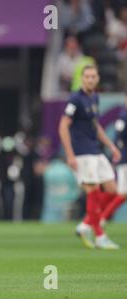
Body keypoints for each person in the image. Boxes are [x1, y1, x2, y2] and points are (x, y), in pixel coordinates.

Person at [58, 65, 121, 249]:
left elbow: (96, 126)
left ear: (98, 78)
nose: (90, 80)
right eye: (87, 77)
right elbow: (63, 126)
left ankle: (86, 224)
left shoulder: (94, 97)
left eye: (93, 76)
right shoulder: (75, 99)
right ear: (82, 79)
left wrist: (111, 146)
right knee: (92, 191)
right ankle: (100, 236)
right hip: (82, 152)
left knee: (112, 189)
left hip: (95, 149)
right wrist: (70, 155)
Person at [102, 96, 127, 224]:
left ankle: (99, 217)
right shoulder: (123, 117)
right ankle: (100, 217)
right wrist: (116, 157)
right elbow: (118, 139)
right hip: (125, 159)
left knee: (121, 193)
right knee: (122, 193)